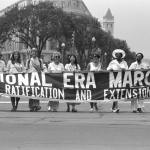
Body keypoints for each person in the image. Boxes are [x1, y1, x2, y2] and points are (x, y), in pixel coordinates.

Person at [26, 48, 44, 112]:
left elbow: (42, 69)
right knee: (31, 92)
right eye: (32, 52)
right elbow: (26, 69)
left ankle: (36, 105)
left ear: (37, 53)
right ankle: (31, 106)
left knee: (37, 91)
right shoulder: (28, 60)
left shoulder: (40, 60)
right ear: (31, 53)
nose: (34, 53)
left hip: (38, 78)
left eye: (35, 52)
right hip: (30, 77)